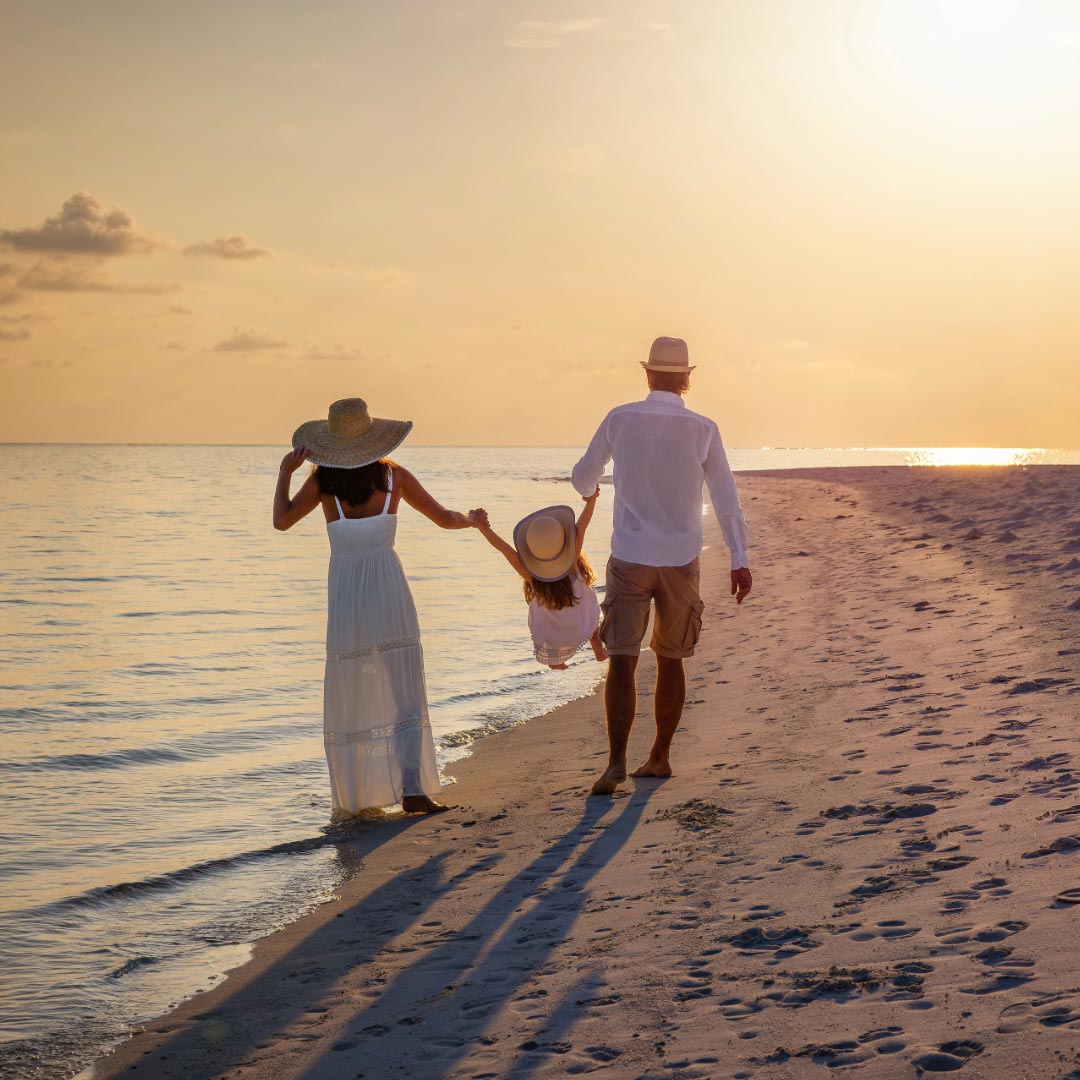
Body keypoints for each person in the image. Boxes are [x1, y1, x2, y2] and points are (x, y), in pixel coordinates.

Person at [273, 397, 481, 818]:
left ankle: (360, 795)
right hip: (388, 589)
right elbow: (444, 518)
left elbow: (281, 521)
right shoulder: (395, 477)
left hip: (347, 597)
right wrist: (472, 519)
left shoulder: (322, 484)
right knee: (403, 688)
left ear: (332, 444)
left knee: (353, 684)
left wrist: (284, 472)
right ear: (372, 439)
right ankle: (412, 788)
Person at [571, 337, 753, 795]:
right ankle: (659, 757)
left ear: (648, 375)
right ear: (686, 379)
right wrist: (739, 558)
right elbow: (726, 498)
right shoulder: (703, 428)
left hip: (630, 555)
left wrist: (592, 491)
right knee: (671, 659)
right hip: (680, 558)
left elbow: (582, 477)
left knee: (622, 660)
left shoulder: (620, 418)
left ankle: (615, 764)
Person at [472, 487, 608, 669]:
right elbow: (582, 526)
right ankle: (597, 645)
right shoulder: (572, 564)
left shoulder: (532, 576)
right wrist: (592, 500)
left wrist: (484, 528)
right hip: (581, 627)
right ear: (565, 541)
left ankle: (555, 660)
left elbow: (504, 549)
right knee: (588, 600)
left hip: (553, 636)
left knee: (545, 613)